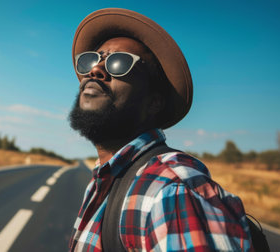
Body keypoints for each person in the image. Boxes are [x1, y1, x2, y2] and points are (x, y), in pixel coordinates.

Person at [68, 8, 253, 251]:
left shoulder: (170, 189)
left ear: (153, 102)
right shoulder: (100, 183)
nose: (95, 70)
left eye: (119, 62)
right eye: (92, 59)